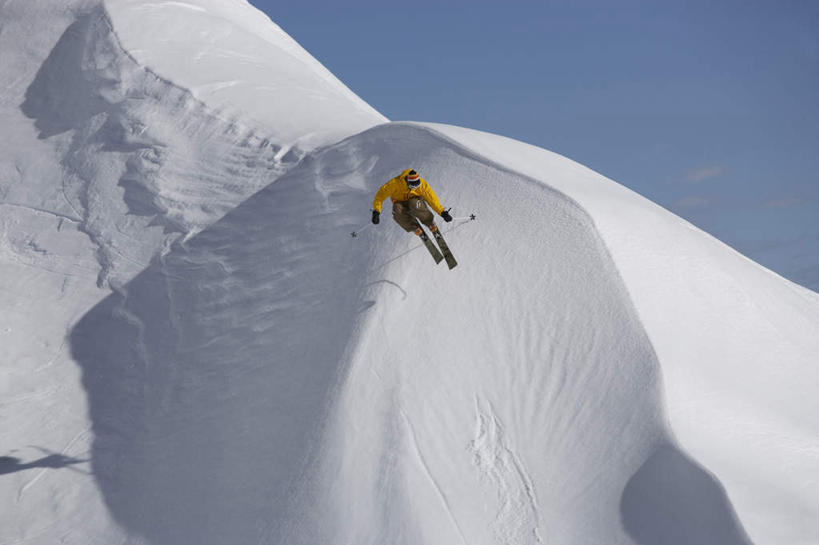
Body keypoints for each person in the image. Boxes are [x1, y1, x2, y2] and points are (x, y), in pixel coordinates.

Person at [371, 169, 453, 240]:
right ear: (407, 181)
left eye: (416, 187)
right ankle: (414, 228)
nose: (414, 188)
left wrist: (442, 212)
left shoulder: (421, 185)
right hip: (399, 202)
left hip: (414, 200)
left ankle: (430, 223)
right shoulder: (394, 183)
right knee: (397, 210)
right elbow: (380, 196)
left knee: (414, 204)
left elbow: (431, 198)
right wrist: (376, 211)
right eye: (412, 187)